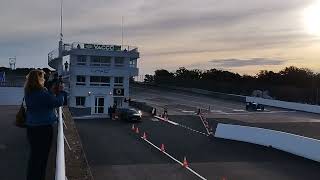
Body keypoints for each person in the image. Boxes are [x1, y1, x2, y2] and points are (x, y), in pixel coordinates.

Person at [24, 70, 65, 180]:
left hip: (31, 128)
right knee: (42, 159)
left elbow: (45, 103)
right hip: (43, 129)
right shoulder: (42, 93)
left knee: (34, 157)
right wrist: (61, 91)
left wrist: (50, 92)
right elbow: (57, 102)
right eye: (43, 78)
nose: (44, 79)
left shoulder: (28, 92)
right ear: (39, 79)